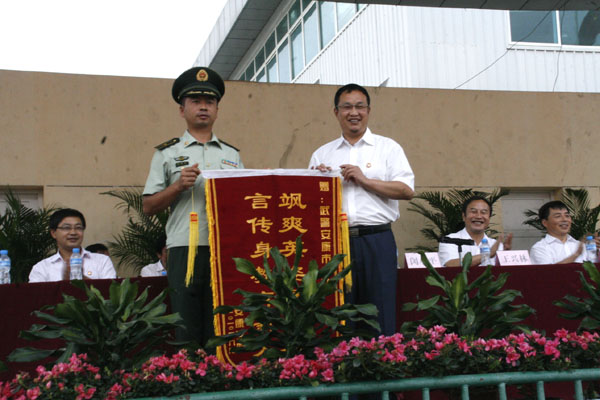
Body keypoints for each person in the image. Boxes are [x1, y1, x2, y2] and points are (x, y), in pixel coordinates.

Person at [142, 67, 243, 347]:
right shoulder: (167, 153)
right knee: (185, 323)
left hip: (223, 248)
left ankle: (221, 372)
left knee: (221, 321)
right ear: (181, 109)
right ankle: (190, 372)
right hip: (184, 246)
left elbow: (244, 200)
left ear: (217, 110)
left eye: (209, 102)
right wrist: (177, 186)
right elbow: (148, 206)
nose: (203, 107)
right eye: (195, 101)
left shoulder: (232, 154)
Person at [309, 83, 415, 337]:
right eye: (347, 107)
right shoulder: (322, 154)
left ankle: (383, 359)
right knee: (338, 313)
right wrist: (316, 182)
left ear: (368, 110)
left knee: (380, 312)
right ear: (336, 112)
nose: (353, 112)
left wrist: (364, 180)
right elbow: (310, 204)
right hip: (336, 243)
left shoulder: (388, 148)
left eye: (360, 106)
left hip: (377, 239)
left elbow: (406, 190)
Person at [29, 208, 116, 282]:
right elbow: (37, 296)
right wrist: (64, 283)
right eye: (66, 228)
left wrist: (81, 279)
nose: (73, 232)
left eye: (78, 227)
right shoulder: (41, 268)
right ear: (53, 233)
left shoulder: (102, 261)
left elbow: (110, 293)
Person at [438, 196, 513, 267]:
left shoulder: (496, 245)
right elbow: (450, 264)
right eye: (473, 211)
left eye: (483, 212)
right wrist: (487, 254)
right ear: (464, 216)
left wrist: (506, 257)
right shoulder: (449, 240)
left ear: (489, 218)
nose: (479, 216)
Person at [529, 200, 599, 264]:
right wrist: (576, 255)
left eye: (567, 216)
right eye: (558, 216)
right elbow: (548, 271)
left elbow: (594, 269)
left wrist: (597, 251)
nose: (565, 219)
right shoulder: (539, 248)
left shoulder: (581, 245)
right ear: (545, 223)